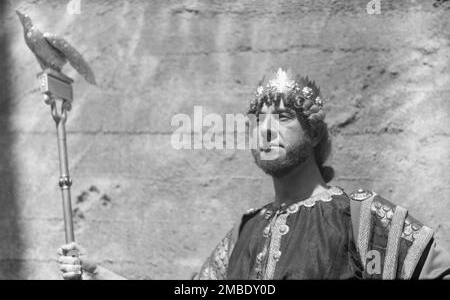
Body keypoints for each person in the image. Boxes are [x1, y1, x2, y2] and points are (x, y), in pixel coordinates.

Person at [57, 68, 450, 280]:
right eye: (258, 120)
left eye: (282, 117)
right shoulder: (243, 233)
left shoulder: (360, 217)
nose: (265, 129)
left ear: (313, 132)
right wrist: (102, 276)